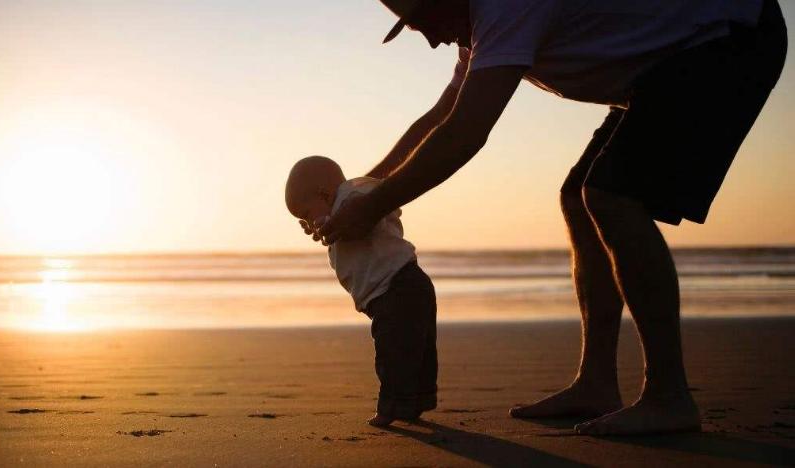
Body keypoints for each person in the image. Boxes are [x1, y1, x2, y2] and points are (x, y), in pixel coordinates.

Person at [304, 0, 788, 435]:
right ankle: (597, 382)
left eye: (426, 19)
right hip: (663, 66)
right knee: (579, 197)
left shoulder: (505, 7)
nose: (431, 38)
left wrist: (374, 205)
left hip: (729, 36)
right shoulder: (478, 28)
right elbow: (438, 118)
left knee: (611, 197)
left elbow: (465, 134)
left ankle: (669, 396)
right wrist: (356, 193)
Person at [286, 156, 438, 427]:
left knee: (393, 351)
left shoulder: (354, 197)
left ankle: (391, 407)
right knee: (415, 349)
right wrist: (321, 221)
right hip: (398, 288)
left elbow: (376, 197)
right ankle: (414, 402)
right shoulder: (340, 214)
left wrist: (329, 216)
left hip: (398, 287)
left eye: (307, 214)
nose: (309, 223)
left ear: (324, 193)